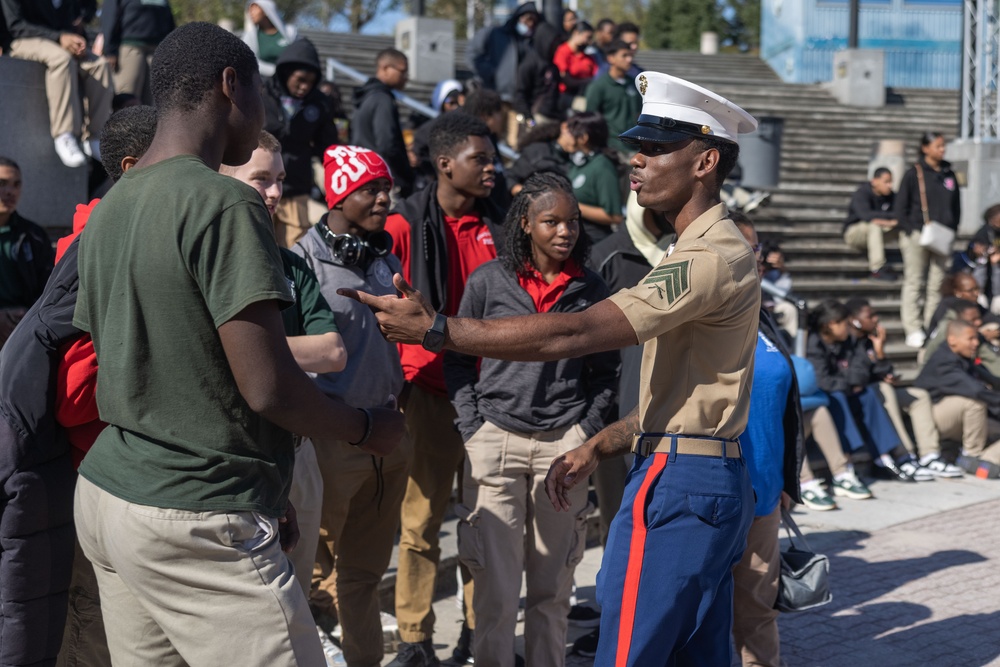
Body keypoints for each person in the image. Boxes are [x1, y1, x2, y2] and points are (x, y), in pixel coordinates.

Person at [341, 70, 763, 667]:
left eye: (655, 149)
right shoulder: (707, 248)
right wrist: (600, 446)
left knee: (628, 652)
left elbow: (579, 331)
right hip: (692, 469)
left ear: (705, 162)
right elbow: (684, 397)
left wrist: (438, 329)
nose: (635, 162)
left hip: (682, 482)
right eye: (636, 148)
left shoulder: (707, 255)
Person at [70, 23, 403, 666]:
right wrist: (365, 428)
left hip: (110, 500)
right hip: (194, 510)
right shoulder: (225, 203)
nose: (267, 110)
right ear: (230, 87)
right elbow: (268, 385)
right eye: (260, 91)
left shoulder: (112, 203)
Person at [0, 104, 157, 667]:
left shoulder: (120, 235)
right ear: (136, 166)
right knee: (91, 639)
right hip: (96, 481)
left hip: (131, 486)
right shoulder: (97, 247)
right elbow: (73, 397)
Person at [445, 172, 618, 667]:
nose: (565, 232)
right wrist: (473, 429)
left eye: (572, 222)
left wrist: (583, 433)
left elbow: (606, 374)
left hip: (564, 448)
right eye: (551, 222)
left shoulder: (591, 287)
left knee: (552, 590)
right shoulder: (487, 282)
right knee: (496, 595)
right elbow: (456, 356)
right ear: (525, 223)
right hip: (494, 441)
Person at [383, 112, 504, 667]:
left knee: (486, 527)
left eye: (492, 157)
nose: (492, 168)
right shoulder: (405, 223)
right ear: (444, 164)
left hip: (492, 397)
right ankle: (413, 638)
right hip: (430, 394)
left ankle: (478, 635)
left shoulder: (501, 225)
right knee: (422, 523)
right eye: (480, 159)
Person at [291, 145, 412, 667]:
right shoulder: (300, 261)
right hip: (331, 437)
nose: (384, 198)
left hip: (388, 434)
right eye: (370, 189)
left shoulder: (385, 257)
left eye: (386, 188)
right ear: (340, 194)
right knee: (309, 570)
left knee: (363, 577)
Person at [220, 131, 349, 605]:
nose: (275, 193)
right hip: (232, 460)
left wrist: (246, 348)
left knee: (294, 588)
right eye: (260, 179)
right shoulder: (203, 257)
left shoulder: (291, 266)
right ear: (222, 177)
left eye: (279, 180)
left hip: (298, 450)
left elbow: (333, 351)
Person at [731, 212, 803, 667]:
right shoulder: (691, 319)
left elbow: (786, 411)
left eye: (755, 250)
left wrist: (786, 483)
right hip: (711, 496)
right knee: (702, 612)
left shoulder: (764, 319)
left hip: (764, 496)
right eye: (742, 248)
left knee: (759, 612)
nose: (754, 259)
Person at [806, 299, 925, 482]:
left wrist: (851, 379)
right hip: (831, 397)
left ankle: (884, 456)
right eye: (844, 324)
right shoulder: (813, 345)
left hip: (848, 391)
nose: (848, 328)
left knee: (867, 393)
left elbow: (861, 372)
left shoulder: (851, 340)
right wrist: (849, 382)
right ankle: (852, 457)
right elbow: (823, 381)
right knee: (838, 395)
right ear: (831, 324)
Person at [845, 297, 963, 478]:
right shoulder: (848, 343)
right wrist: (875, 363)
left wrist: (881, 354)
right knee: (884, 389)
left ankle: (929, 455)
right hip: (862, 397)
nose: (876, 319)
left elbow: (883, 370)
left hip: (877, 390)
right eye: (870, 316)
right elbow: (856, 377)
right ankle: (904, 455)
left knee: (920, 396)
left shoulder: (870, 340)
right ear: (854, 320)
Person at [2, 0, 113, 167]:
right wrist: (59, 37)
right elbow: (15, 25)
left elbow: (67, 22)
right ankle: (64, 134)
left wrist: (74, 40)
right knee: (61, 59)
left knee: (100, 65)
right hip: (21, 40)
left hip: (56, 40)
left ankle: (95, 137)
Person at [262, 37, 341, 248]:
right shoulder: (260, 94)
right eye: (300, 79)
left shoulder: (319, 103)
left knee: (294, 249)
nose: (304, 86)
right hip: (260, 186)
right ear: (286, 73)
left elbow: (329, 147)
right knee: (259, 246)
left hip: (296, 186)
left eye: (311, 81)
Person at [895, 132, 962, 348]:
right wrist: (910, 228)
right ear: (925, 148)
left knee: (937, 284)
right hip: (918, 233)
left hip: (943, 235)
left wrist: (953, 228)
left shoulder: (948, 172)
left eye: (943, 146)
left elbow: (956, 206)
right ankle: (912, 327)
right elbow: (900, 205)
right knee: (914, 281)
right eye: (937, 146)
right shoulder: (914, 173)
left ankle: (931, 325)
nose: (942, 150)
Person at [915, 319, 1000, 479]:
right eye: (971, 339)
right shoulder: (944, 363)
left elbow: (992, 380)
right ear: (952, 340)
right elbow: (976, 391)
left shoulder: (961, 358)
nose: (976, 343)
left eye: (976, 338)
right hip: (929, 421)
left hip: (950, 416)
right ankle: (972, 456)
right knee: (974, 403)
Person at [0, 156, 54, 348]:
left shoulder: (34, 236)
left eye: (16, 185)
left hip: (23, 330)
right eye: (2, 183)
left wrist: (28, 315)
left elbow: (49, 288)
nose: (10, 192)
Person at [351, 48, 415, 198]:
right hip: (381, 182)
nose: (406, 77)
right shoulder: (383, 100)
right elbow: (387, 144)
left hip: (364, 177)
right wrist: (404, 177)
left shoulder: (368, 97)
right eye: (402, 71)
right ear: (385, 68)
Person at [99, 0, 175, 104]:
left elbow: (169, 20)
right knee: (128, 99)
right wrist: (110, 50)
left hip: (157, 49)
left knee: (154, 101)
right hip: (130, 48)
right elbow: (109, 16)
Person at [564, 112, 622, 244]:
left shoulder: (603, 166)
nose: (565, 137)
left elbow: (614, 216)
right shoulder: (579, 162)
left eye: (569, 133)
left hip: (593, 242)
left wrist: (571, 206)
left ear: (583, 138)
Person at [468, 2, 540, 102]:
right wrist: (491, 73)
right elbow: (472, 55)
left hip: (519, 99)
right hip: (493, 95)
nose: (530, 24)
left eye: (533, 21)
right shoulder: (493, 34)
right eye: (528, 19)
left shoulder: (530, 43)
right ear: (518, 18)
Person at [585, 40, 641, 156]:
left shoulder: (634, 84)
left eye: (630, 55)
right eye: (624, 56)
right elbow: (590, 120)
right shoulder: (598, 86)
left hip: (635, 147)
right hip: (612, 149)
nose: (629, 59)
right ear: (610, 58)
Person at [844, 167, 898, 280]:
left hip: (878, 232)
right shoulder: (862, 193)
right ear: (874, 181)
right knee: (874, 226)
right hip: (854, 234)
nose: (889, 185)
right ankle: (877, 269)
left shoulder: (891, 196)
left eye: (891, 182)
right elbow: (866, 216)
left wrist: (885, 221)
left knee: (901, 226)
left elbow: (899, 214)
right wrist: (887, 221)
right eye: (886, 182)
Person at [463, 88, 512, 211]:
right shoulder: (471, 145)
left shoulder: (491, 139)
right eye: (499, 113)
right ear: (485, 116)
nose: (502, 118)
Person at [507, 121, 570, 194]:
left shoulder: (575, 163)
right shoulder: (538, 151)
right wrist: (533, 196)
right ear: (564, 127)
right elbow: (510, 178)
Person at [242, 0, 296, 78]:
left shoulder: (290, 32)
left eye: (255, 8)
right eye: (250, 10)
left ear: (266, 10)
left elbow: (298, 54)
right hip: (265, 82)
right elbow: (249, 61)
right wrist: (276, 71)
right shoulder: (249, 37)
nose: (251, 13)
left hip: (291, 78)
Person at [552, 21, 597, 109]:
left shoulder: (587, 57)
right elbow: (567, 80)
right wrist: (588, 81)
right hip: (566, 96)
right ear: (576, 33)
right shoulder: (563, 51)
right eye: (587, 37)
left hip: (586, 93)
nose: (589, 41)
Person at [965, 203, 1000, 312]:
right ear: (992, 218)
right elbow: (973, 253)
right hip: (984, 281)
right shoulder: (983, 233)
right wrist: (982, 253)